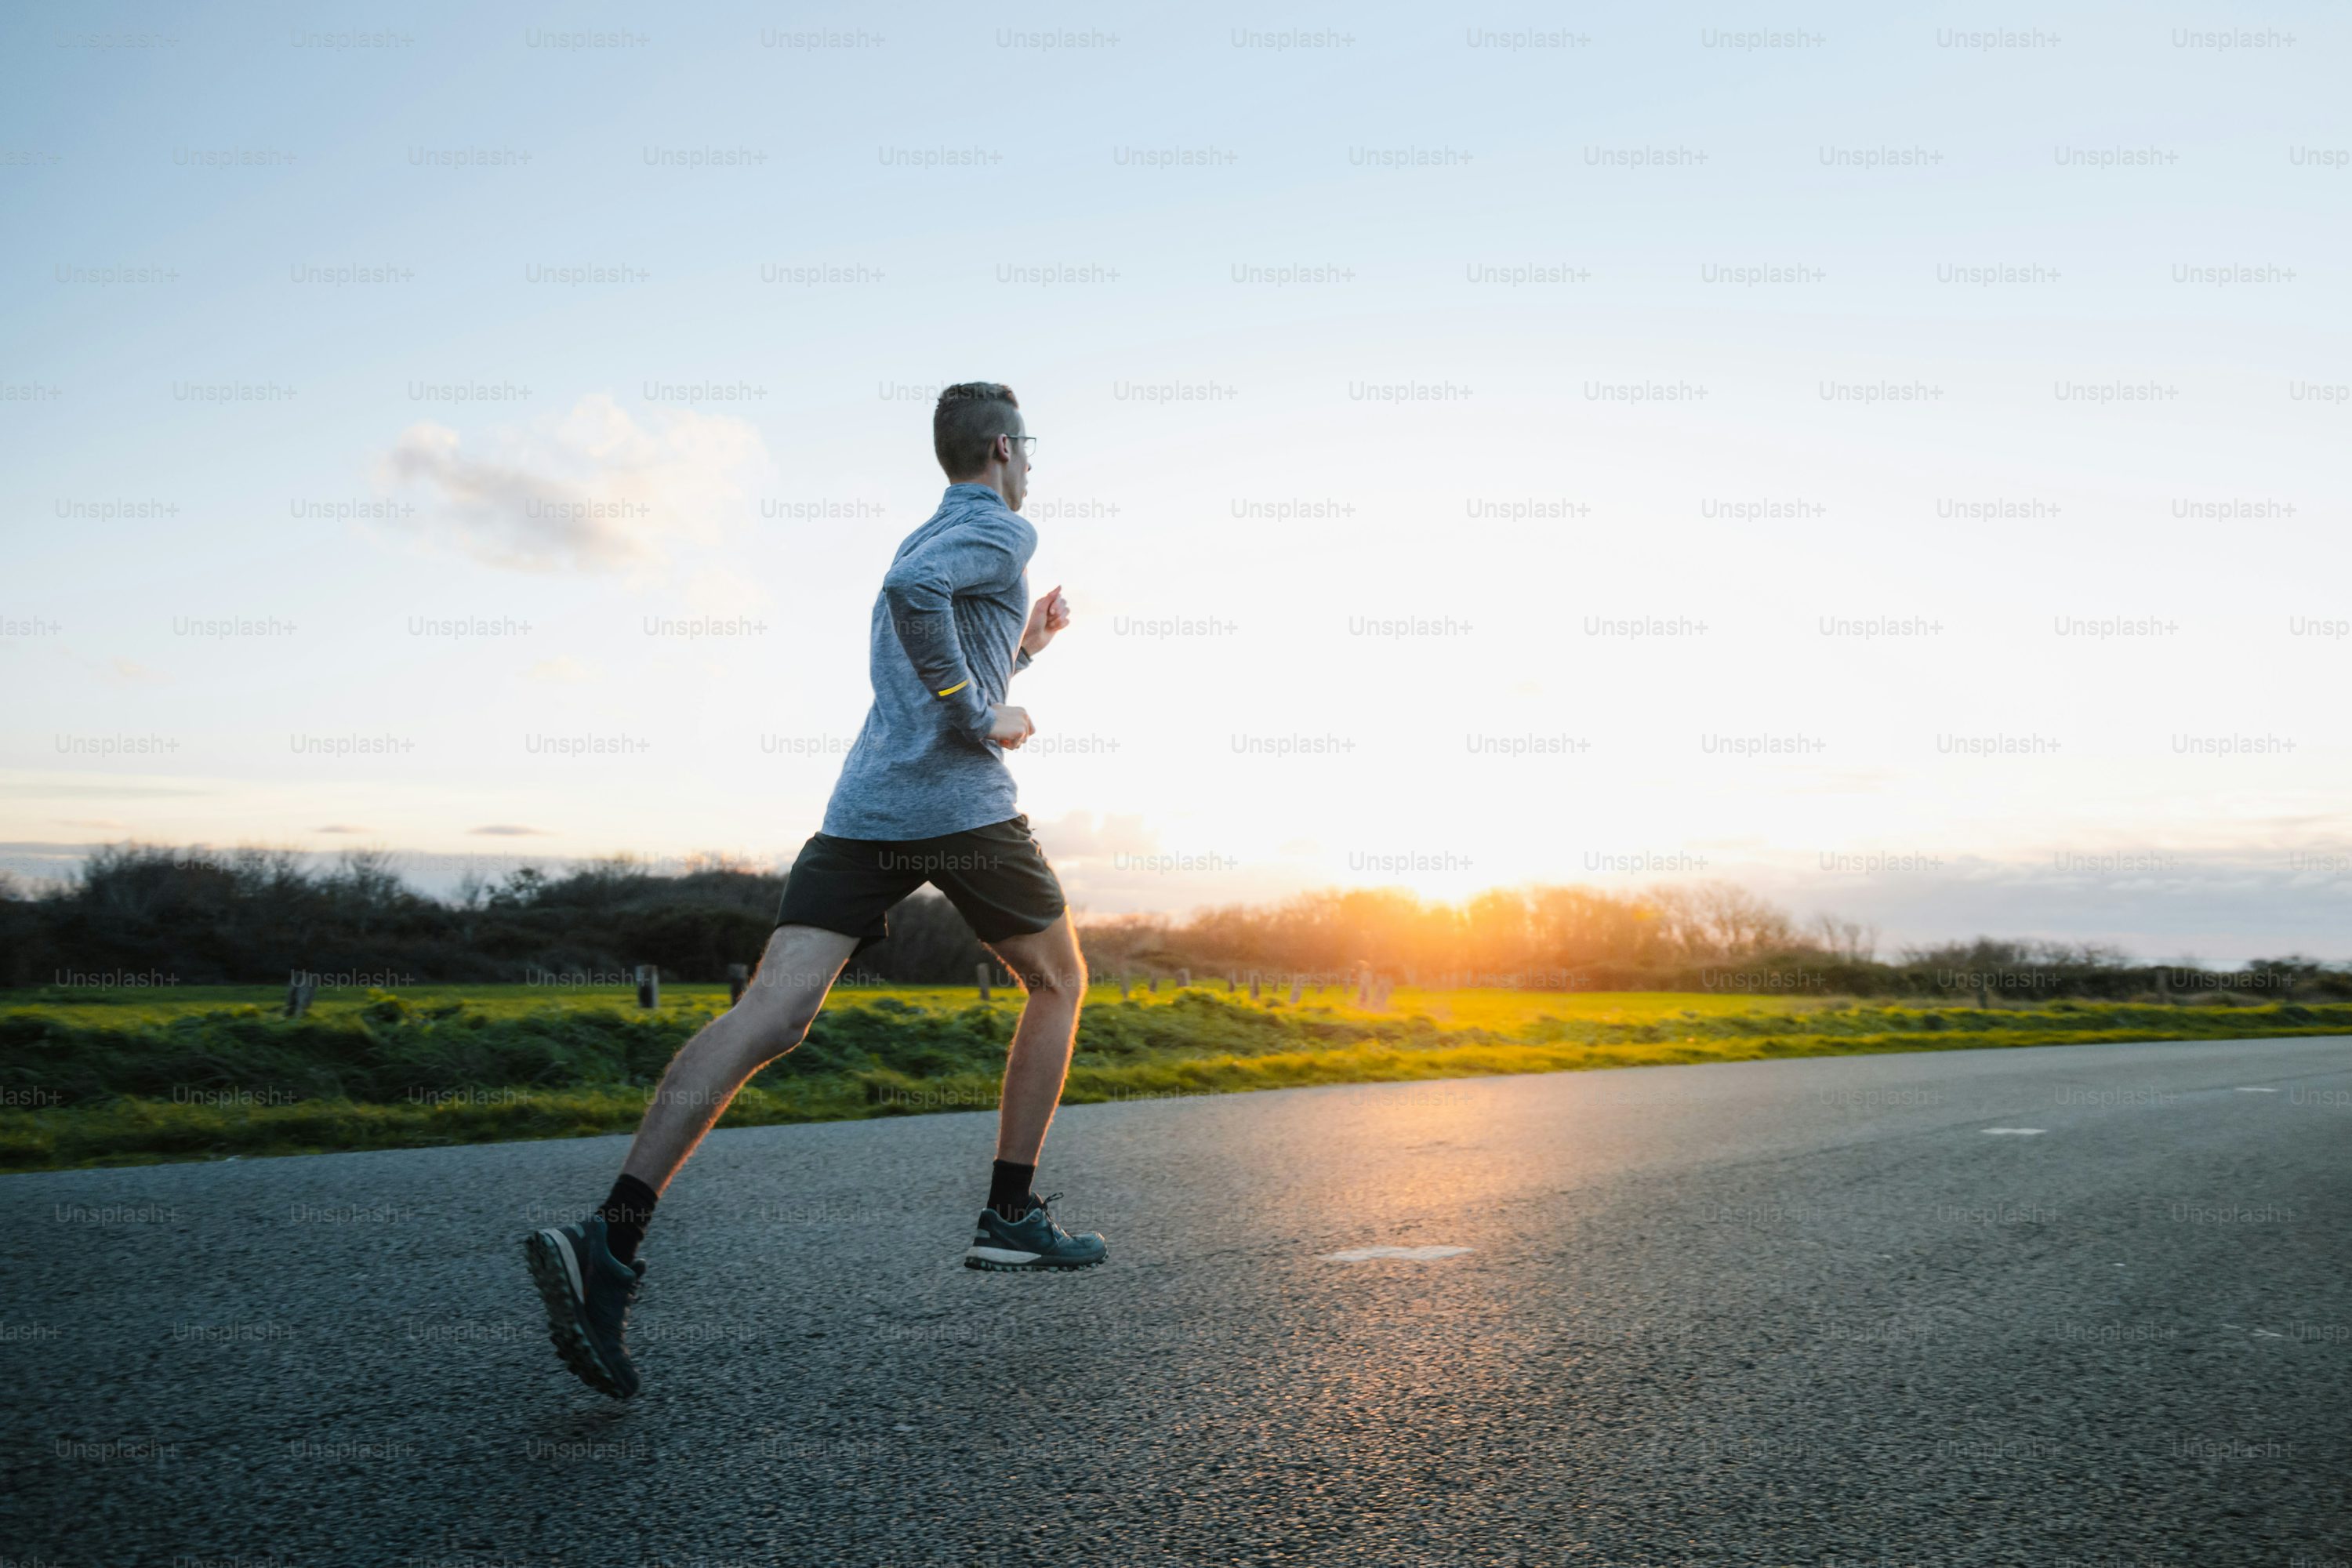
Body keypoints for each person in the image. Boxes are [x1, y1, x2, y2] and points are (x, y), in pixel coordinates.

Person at [524, 382, 1104, 1400]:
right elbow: (911, 598)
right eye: (1033, 447)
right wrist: (981, 714)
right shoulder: (999, 530)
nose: (1034, 466)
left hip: (866, 807)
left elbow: (937, 636)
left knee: (773, 1015)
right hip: (959, 805)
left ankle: (608, 1239)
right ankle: (1011, 1214)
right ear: (1006, 448)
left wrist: (1025, 652)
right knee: (1059, 984)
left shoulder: (953, 534)